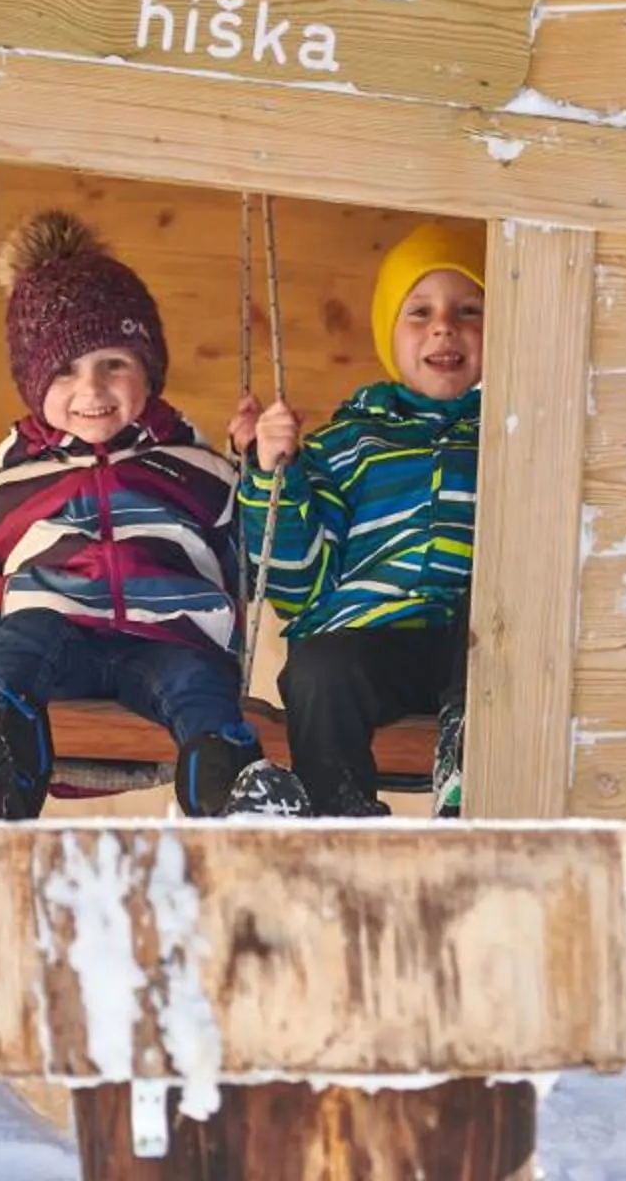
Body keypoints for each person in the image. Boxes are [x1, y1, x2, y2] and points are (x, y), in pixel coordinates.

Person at [0, 209, 275, 820]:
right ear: (34, 383)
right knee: (22, 639)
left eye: (113, 363)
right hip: (57, 635)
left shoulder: (197, 466)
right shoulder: (6, 482)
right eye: (65, 371)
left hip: (167, 639)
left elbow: (259, 551)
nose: (91, 391)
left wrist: (261, 467)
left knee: (202, 683)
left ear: (149, 369)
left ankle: (233, 798)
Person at [231, 220, 485, 817]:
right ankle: (337, 813)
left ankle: (465, 762)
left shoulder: (514, 433)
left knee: (493, 607)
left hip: (476, 649)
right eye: (418, 312)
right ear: (388, 337)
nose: (444, 325)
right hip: (377, 641)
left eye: (469, 309)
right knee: (319, 663)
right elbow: (299, 588)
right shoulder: (349, 442)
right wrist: (272, 475)